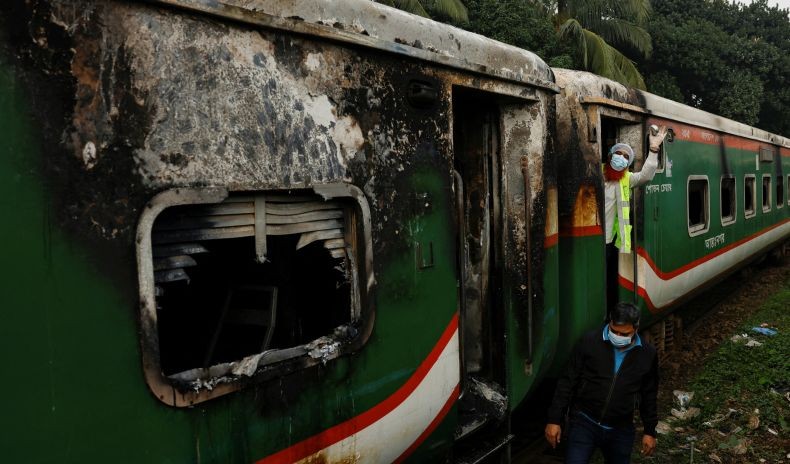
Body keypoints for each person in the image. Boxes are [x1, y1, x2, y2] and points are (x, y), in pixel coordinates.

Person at [544, 302, 659, 464]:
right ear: (609, 322)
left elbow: (649, 394)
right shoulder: (589, 342)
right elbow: (567, 382)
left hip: (621, 429)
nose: (618, 336)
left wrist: (650, 430)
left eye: (624, 334)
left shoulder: (647, 354)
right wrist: (554, 419)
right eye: (614, 331)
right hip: (585, 422)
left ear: (636, 328)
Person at [604, 126, 668, 310]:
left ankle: (610, 313)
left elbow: (646, 176)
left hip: (611, 241)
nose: (621, 158)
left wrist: (654, 149)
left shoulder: (627, 178)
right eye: (619, 153)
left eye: (626, 157)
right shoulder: (596, 174)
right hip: (593, 239)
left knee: (610, 279)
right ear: (610, 156)